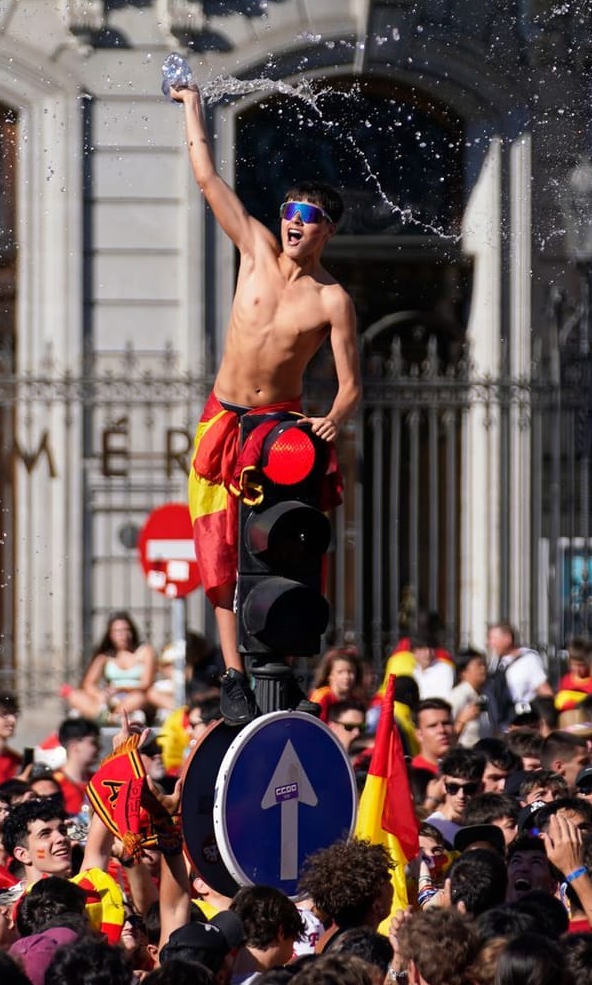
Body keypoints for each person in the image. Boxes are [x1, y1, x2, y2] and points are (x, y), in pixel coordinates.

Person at [173, 76, 360, 726]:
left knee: (285, 545)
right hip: (224, 419)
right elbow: (207, 181)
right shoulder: (253, 249)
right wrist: (193, 110)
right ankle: (230, 672)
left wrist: (333, 419)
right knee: (219, 548)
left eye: (306, 219)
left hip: (279, 429)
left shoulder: (331, 299)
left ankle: (287, 662)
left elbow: (350, 383)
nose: (291, 225)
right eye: (288, 213)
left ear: (326, 230)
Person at [67, 614, 156, 722]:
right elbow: (89, 683)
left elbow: (146, 683)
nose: (123, 635)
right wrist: (99, 694)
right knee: (74, 696)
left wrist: (122, 688)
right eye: (118, 632)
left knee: (139, 699)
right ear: (110, 635)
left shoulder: (145, 651)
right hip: (110, 699)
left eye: (126, 630)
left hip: (134, 696)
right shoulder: (105, 656)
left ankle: (107, 717)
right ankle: (110, 718)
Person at [486, 622, 551, 717]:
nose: (489, 643)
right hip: (503, 722)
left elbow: (545, 693)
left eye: (493, 639)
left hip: (523, 721)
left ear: (507, 638)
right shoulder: (497, 661)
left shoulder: (529, 660)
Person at [308, 648, 369, 721]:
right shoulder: (322, 697)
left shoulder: (356, 700)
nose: (346, 677)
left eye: (351, 672)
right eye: (340, 672)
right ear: (329, 675)